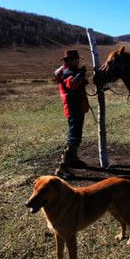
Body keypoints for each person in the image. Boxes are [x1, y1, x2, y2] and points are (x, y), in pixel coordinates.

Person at [52, 49, 89, 179]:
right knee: (74, 136)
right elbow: (72, 84)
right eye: (76, 59)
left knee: (76, 134)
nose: (77, 61)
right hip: (74, 108)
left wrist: (81, 79)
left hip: (75, 106)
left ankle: (73, 160)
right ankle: (62, 168)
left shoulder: (70, 71)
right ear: (71, 60)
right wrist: (81, 74)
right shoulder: (69, 72)